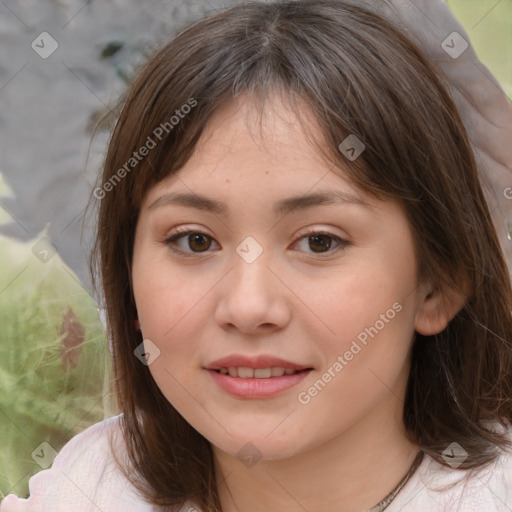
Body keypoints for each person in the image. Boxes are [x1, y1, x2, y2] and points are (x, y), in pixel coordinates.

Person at [2, 1, 512, 510]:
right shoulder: (86, 492)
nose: (247, 307)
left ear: (438, 284)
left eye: (319, 241)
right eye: (194, 240)